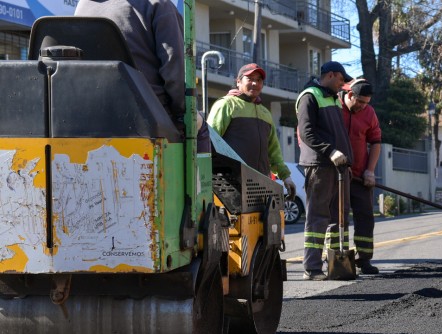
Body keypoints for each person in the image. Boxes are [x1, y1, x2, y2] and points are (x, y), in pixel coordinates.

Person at [75, 0, 185, 125]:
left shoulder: (83, 5)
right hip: (147, 119)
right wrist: (183, 114)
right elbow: (176, 76)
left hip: (86, 117)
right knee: (199, 127)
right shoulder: (160, 6)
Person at [297, 61, 354, 280]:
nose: (342, 85)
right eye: (341, 80)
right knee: (317, 217)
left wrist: (347, 163)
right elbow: (307, 133)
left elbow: (339, 134)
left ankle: (336, 265)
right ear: (330, 75)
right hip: (319, 165)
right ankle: (311, 268)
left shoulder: (334, 99)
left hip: (338, 166)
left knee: (339, 217)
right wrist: (330, 152)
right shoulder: (309, 96)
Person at [206, 63, 296, 196]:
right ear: (238, 82)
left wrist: (286, 176)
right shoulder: (226, 105)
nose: (255, 83)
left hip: (262, 186)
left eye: (259, 80)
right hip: (231, 188)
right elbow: (208, 143)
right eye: (250, 79)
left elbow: (273, 152)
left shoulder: (265, 113)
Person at [339, 79, 381, 275]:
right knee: (338, 218)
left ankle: (363, 260)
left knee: (365, 217)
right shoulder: (333, 107)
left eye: (367, 102)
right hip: (338, 176)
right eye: (361, 102)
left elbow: (376, 142)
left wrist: (370, 171)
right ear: (349, 96)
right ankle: (337, 259)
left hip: (360, 177)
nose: (364, 106)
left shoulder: (369, 113)